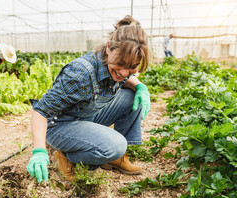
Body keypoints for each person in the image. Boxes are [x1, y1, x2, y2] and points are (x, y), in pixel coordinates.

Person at [27, 15, 151, 182]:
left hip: (86, 115)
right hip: (60, 125)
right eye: (121, 63)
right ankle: (66, 156)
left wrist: (140, 87)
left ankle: (116, 157)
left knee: (132, 96)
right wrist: (39, 151)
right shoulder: (80, 74)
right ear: (109, 48)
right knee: (115, 145)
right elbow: (41, 111)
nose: (123, 72)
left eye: (132, 67)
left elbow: (126, 76)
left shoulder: (116, 65)